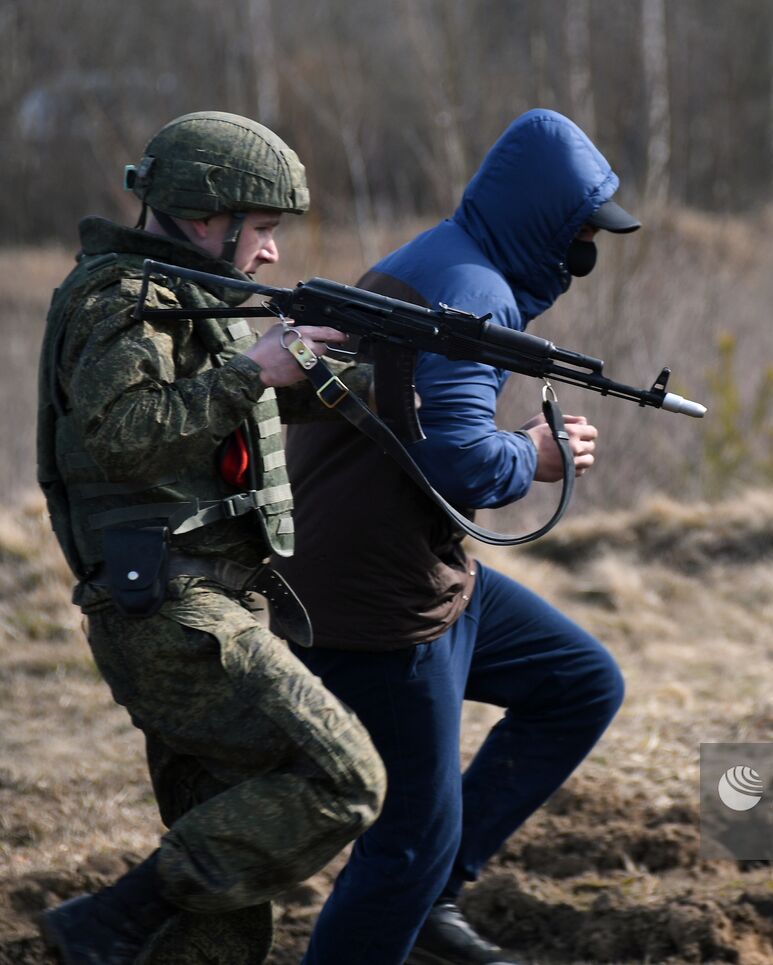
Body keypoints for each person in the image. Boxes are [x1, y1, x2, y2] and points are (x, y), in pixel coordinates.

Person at [271, 108, 631, 965]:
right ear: (546, 221)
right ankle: (418, 894)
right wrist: (538, 456)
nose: (588, 249)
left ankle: (432, 902)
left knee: (580, 683)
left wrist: (525, 450)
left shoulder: (444, 260)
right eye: (584, 230)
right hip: (380, 597)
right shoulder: (472, 289)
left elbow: (419, 431)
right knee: (407, 842)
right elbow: (465, 461)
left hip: (419, 567)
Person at [35, 111, 386, 964]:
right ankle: (111, 915)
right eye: (262, 229)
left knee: (224, 918)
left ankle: (135, 925)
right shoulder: (120, 299)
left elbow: (281, 395)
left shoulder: (200, 298)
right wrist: (251, 370)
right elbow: (119, 431)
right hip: (171, 615)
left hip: (205, 607)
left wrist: (410, 358)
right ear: (206, 216)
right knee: (345, 776)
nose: (269, 252)